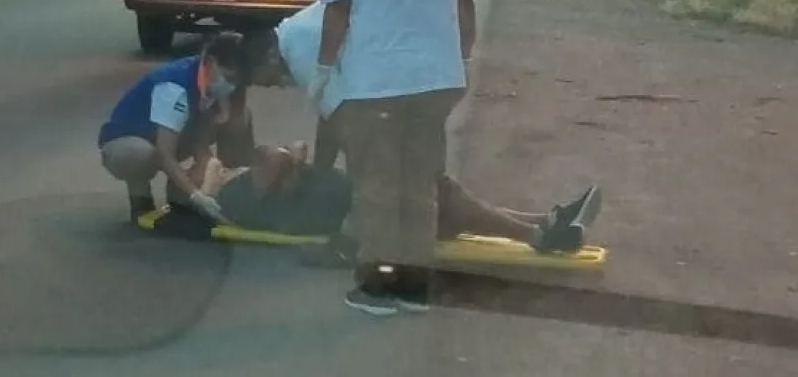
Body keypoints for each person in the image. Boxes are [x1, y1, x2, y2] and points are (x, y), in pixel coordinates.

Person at [243, 9, 600, 264]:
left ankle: (542, 234)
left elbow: (334, 120)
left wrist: (321, 170)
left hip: (404, 88)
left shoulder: (300, 51)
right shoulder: (300, 30)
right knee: (435, 197)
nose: (274, 86)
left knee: (430, 190)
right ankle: (545, 225)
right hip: (411, 78)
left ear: (268, 55)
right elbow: (333, 117)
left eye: (265, 78)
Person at [310, 0, 477, 315]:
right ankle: (416, 286)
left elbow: (338, 10)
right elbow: (464, 3)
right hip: (438, 78)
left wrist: (322, 73)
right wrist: (461, 56)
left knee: (378, 186)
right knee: (420, 181)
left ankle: (381, 287)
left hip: (378, 80)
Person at [204, 144, 600, 277]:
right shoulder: (236, 195)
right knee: (441, 195)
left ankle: (545, 225)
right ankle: (542, 234)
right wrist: (210, 180)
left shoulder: (249, 180)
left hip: (371, 200)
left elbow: (280, 162)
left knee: (450, 203)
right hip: (368, 213)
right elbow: (274, 163)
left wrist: (293, 157)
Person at [98, 32, 254, 225]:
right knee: (142, 155)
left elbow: (200, 140)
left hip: (175, 133)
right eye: (229, 77)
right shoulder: (174, 86)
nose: (231, 85)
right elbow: (165, 153)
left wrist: (211, 172)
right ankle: (141, 200)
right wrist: (196, 195)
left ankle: (187, 189)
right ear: (212, 62)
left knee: (241, 117)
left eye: (236, 81)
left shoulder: (209, 77)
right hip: (128, 141)